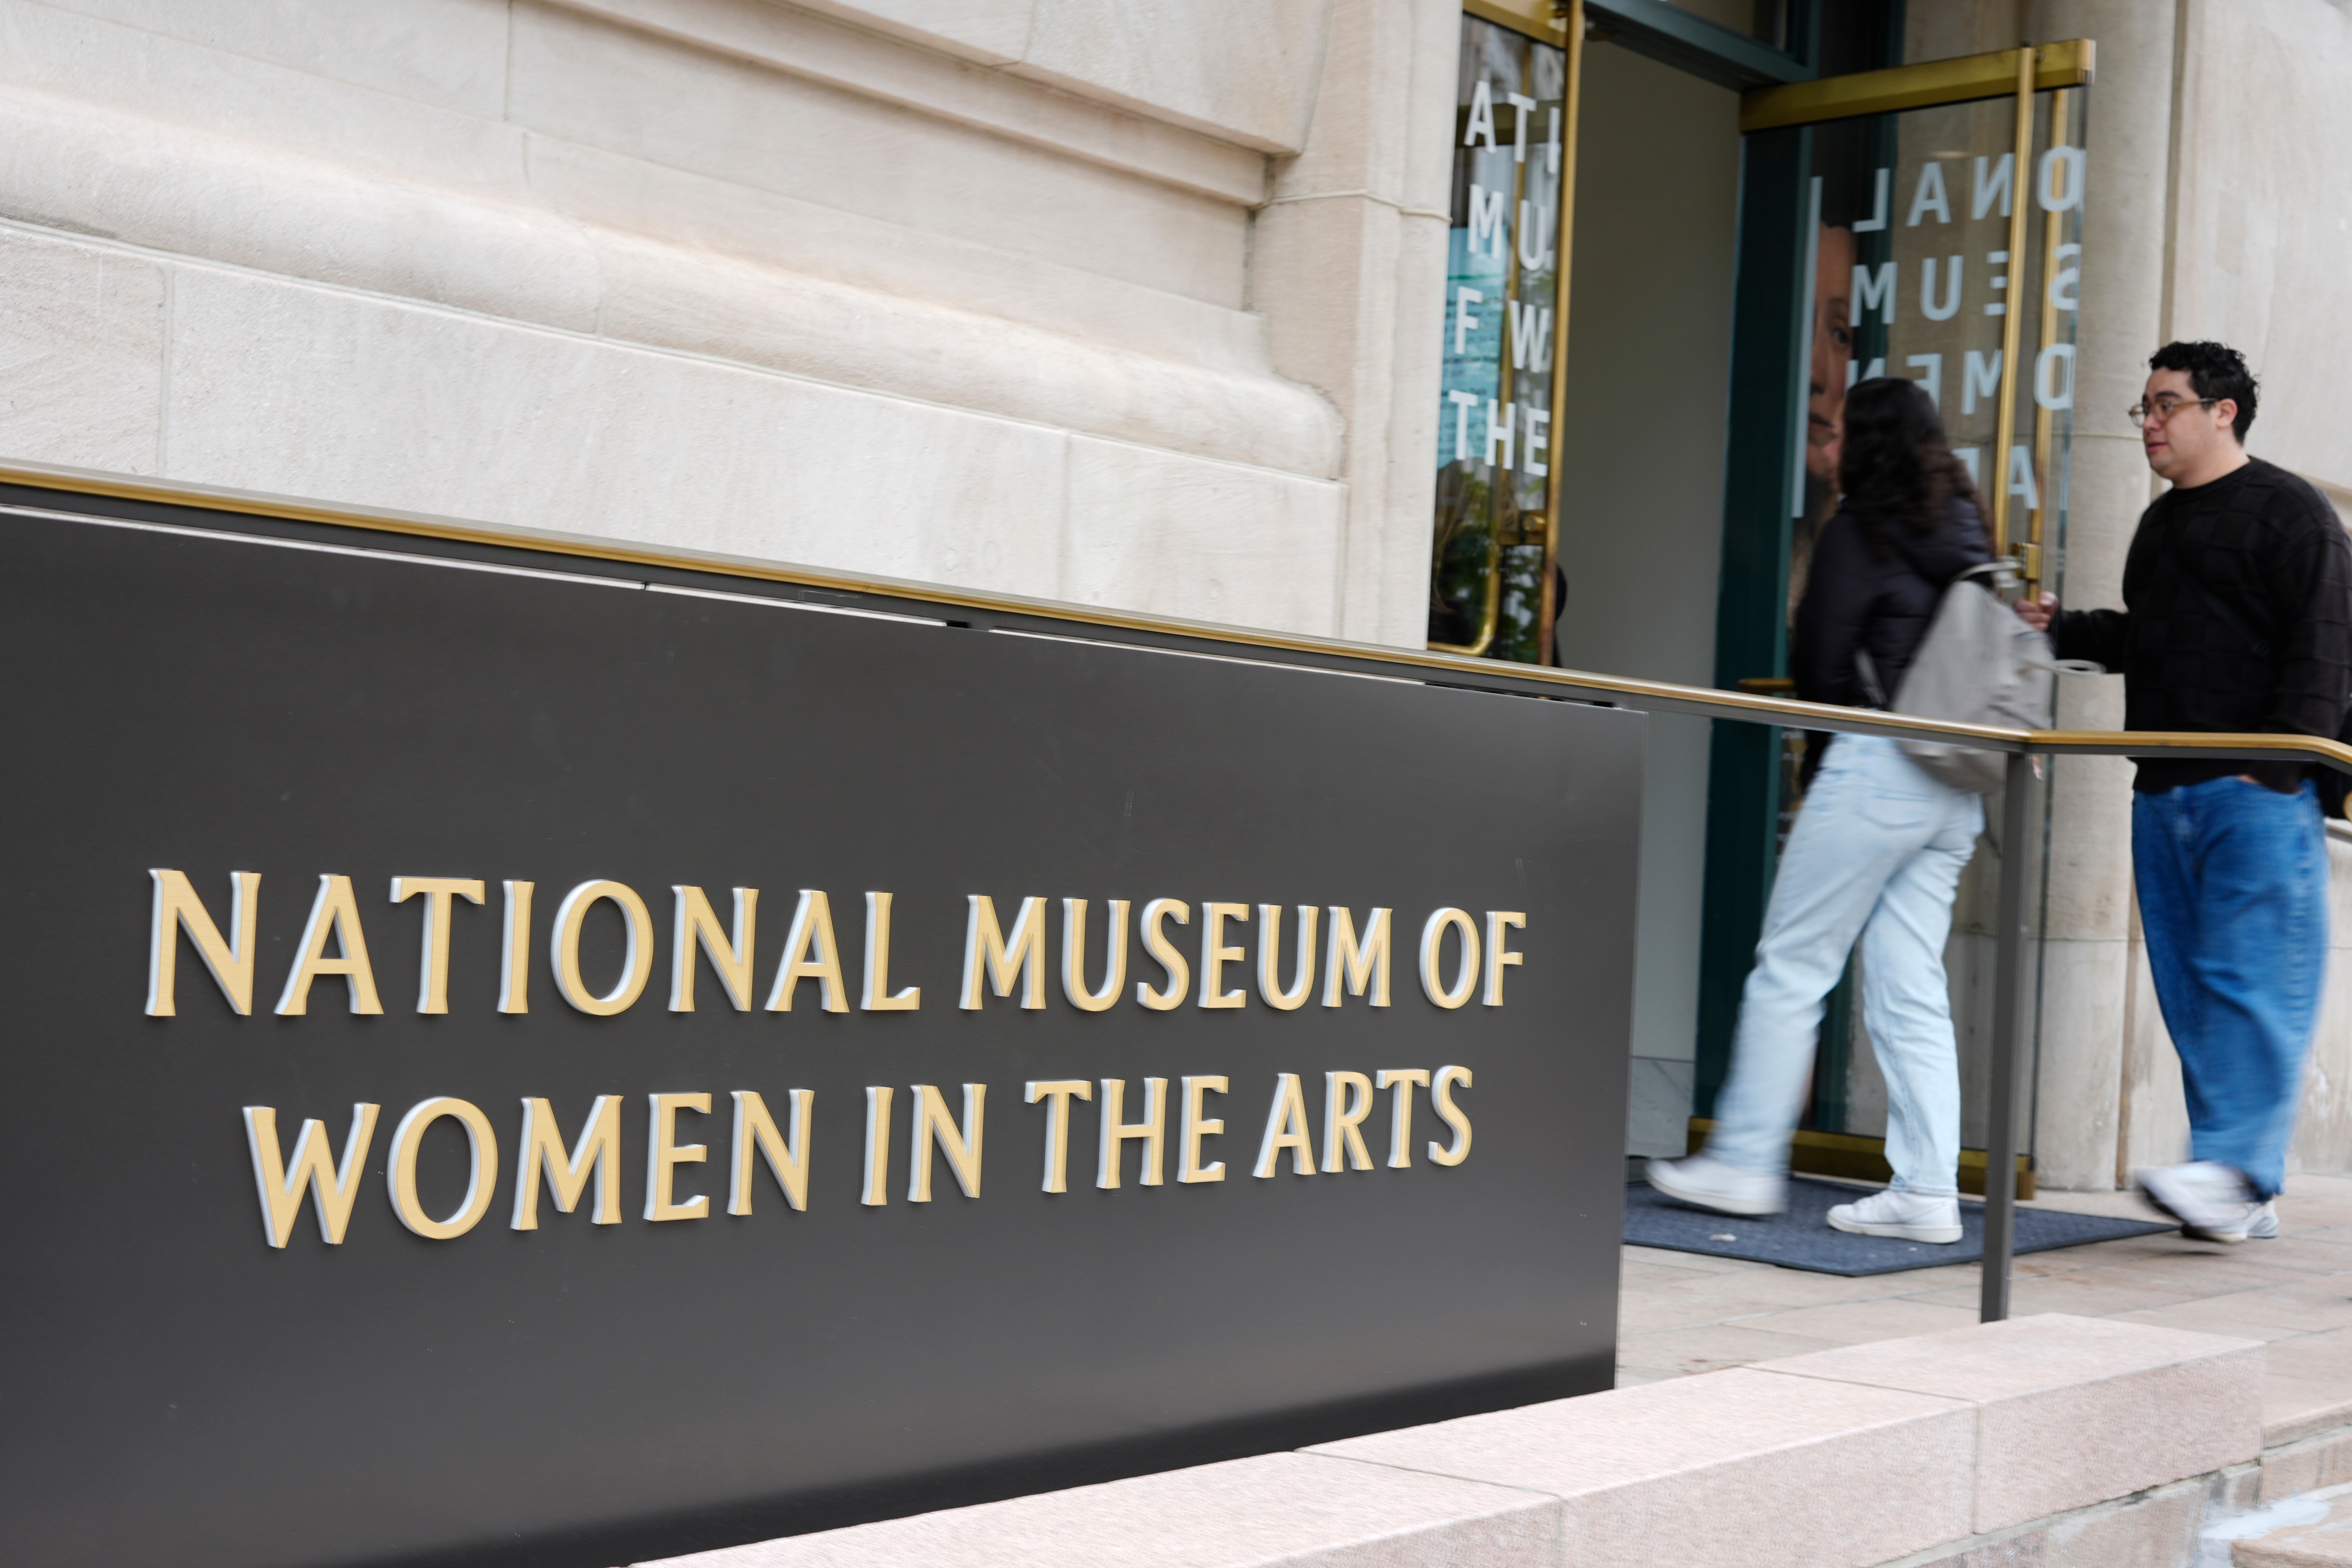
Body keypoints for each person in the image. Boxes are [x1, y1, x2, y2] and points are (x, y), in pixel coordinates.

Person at [2016, 341, 2352, 1243]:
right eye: (2145, 409)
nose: (2150, 424)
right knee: (2196, 992)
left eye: (2165, 405)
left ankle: (2235, 1170)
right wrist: (2066, 629)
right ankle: (2239, 1180)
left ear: (2223, 412)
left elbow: (2326, 646)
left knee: (2250, 983)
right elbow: (2157, 638)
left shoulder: (2293, 513)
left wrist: (2276, 770)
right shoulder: (2162, 525)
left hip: (2254, 793)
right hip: (2162, 791)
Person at [1649, 377, 1990, 1242]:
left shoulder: (1859, 530)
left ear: (1868, 444)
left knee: (1792, 965)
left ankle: (1744, 1160)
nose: (1828, 450)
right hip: (1956, 779)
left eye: (1839, 434)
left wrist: (1829, 771)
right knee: (1912, 988)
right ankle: (1927, 1189)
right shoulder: (1965, 529)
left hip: (1878, 765)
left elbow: (1823, 670)